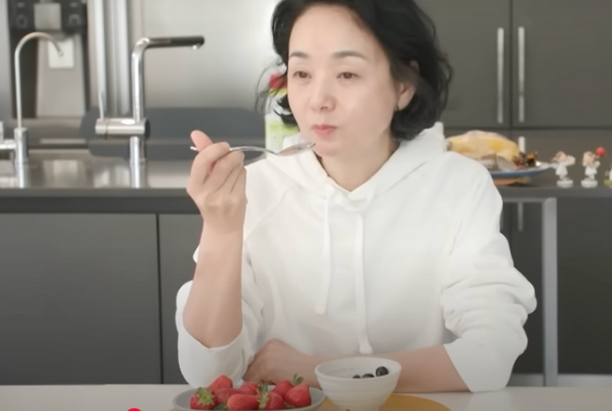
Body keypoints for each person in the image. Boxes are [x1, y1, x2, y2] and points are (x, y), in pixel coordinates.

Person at [176, 0, 537, 394]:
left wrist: (315, 371)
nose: (318, 99)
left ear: (403, 85)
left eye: (346, 74)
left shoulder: (459, 186)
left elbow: (489, 357)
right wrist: (221, 231)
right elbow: (208, 374)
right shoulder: (256, 189)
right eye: (302, 73)